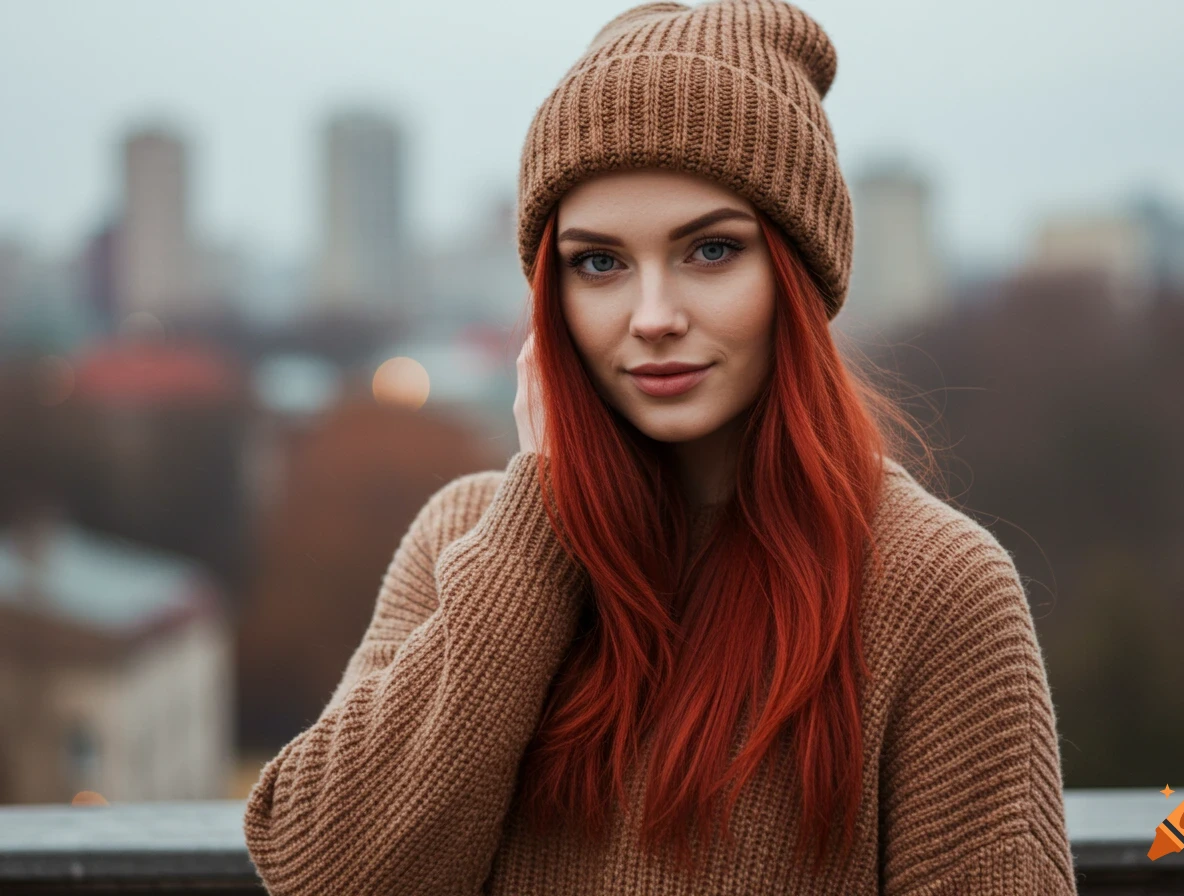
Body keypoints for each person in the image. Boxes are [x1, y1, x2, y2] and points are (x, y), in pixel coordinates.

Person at [242, 1, 1079, 893]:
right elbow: (324, 877)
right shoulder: (469, 540)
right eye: (599, 263)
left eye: (711, 250)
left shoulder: (935, 586)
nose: (652, 317)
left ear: (798, 273)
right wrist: (536, 538)